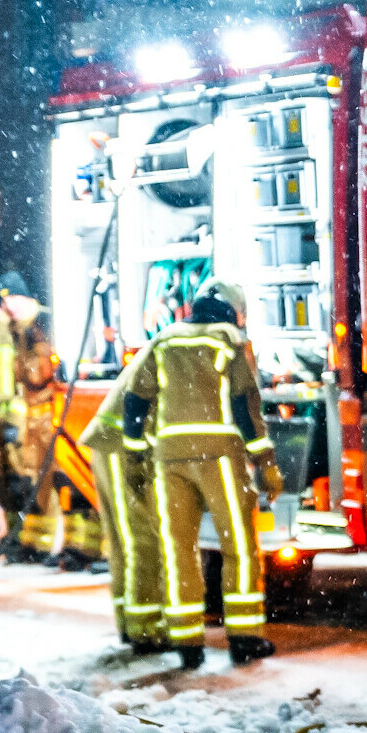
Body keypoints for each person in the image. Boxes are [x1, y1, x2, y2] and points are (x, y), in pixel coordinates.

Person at [119, 279, 282, 670]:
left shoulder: (164, 340)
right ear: (232, 310)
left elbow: (135, 398)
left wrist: (135, 455)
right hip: (219, 457)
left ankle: (187, 641)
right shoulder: (230, 340)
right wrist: (266, 462)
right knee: (237, 547)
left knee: (179, 551)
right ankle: (244, 637)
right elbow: (244, 404)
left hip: (169, 458)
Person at [79, 358, 164, 650]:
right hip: (121, 447)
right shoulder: (185, 352)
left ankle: (130, 621)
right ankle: (146, 628)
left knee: (123, 539)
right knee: (140, 538)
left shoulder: (168, 348)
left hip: (115, 444)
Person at [0, 272, 59, 559]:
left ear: (26, 297)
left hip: (45, 414)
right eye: (5, 300)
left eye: (12, 298)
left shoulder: (44, 325)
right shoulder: (15, 331)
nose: (8, 305)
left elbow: (37, 374)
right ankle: (33, 544)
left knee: (46, 482)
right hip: (26, 417)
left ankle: (42, 544)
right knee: (27, 483)